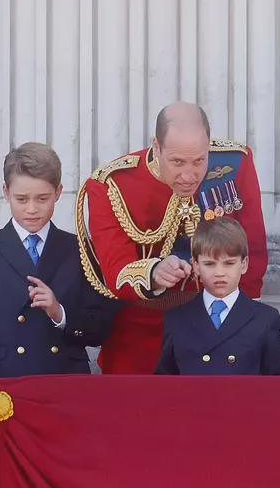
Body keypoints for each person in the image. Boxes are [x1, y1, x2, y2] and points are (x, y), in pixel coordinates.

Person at [77, 102, 268, 374]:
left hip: (217, 327)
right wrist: (154, 272)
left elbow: (253, 250)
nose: (189, 175)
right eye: (177, 162)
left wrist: (244, 321)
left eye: (199, 161)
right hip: (144, 333)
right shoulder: (112, 183)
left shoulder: (234, 163)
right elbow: (115, 270)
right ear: (156, 147)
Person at [0, 143, 119, 376]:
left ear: (58, 192)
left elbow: (100, 327)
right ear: (6, 192)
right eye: (22, 199)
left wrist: (60, 313)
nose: (32, 209)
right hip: (6, 385)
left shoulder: (80, 249)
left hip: (65, 383)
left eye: (42, 198)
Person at [156, 219, 280, 376]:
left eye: (229, 263)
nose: (219, 272)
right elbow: (165, 384)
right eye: (210, 264)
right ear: (196, 266)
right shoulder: (177, 318)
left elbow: (277, 386)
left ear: (244, 264)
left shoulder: (265, 319)